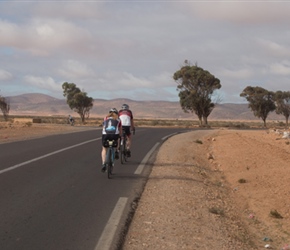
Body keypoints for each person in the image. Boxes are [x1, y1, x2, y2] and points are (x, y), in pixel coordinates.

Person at [101, 108, 122, 172]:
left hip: (105, 134)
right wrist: (120, 136)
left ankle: (104, 164)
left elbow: (103, 127)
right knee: (118, 138)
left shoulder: (105, 118)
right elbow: (120, 130)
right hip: (114, 135)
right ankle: (117, 151)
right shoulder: (118, 119)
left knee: (104, 149)